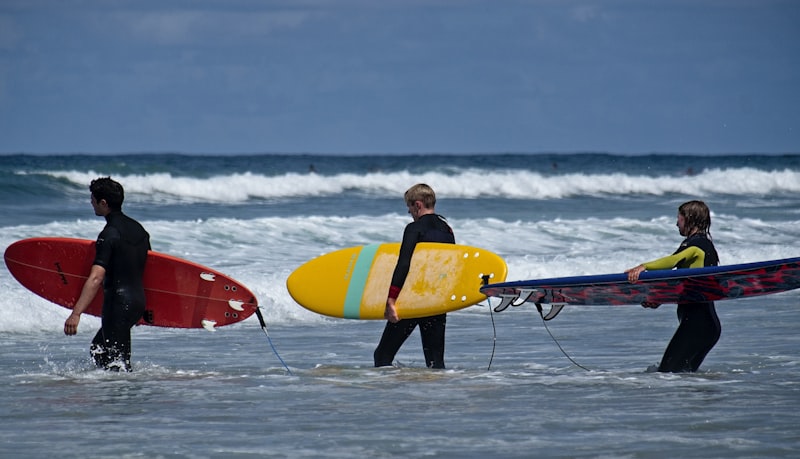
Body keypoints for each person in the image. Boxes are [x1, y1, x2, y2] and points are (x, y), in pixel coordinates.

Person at [63, 177, 151, 372]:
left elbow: (96, 277)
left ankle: (125, 399)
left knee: (118, 366)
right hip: (137, 303)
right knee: (98, 350)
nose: (91, 203)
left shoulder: (109, 233)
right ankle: (120, 396)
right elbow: (148, 269)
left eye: (93, 199)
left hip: (118, 304)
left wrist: (76, 314)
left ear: (104, 203)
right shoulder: (140, 230)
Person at [625, 200, 721, 373]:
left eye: (680, 218)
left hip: (697, 325)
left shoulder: (696, 245)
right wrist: (660, 299)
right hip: (707, 326)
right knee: (686, 378)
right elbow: (686, 283)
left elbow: (672, 261)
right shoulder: (704, 245)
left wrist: (643, 266)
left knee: (666, 374)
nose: (677, 223)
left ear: (690, 219)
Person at [374, 184, 455, 369]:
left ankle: (388, 395)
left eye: (409, 208)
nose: (409, 213)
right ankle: (437, 396)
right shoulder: (447, 230)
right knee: (435, 363)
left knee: (382, 355)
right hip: (436, 301)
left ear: (417, 205)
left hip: (413, 299)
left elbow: (404, 264)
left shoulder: (414, 228)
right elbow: (448, 267)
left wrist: (391, 300)